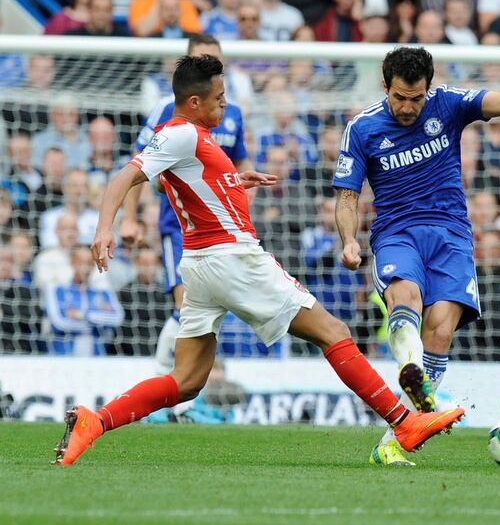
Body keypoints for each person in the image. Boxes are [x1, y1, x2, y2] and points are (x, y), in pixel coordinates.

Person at [53, 54, 464, 466]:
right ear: (194, 102)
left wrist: (233, 180)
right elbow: (124, 176)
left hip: (198, 265)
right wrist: (105, 228)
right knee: (333, 331)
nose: (225, 106)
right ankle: (403, 421)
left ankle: (95, 421)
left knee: (187, 381)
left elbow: (186, 186)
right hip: (232, 257)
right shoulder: (181, 134)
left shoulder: (190, 136)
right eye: (219, 98)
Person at [332, 22, 500, 465]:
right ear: (385, 85)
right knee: (406, 295)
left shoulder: (449, 104)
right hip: (397, 232)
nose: (408, 107)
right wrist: (349, 240)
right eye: (399, 98)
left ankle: (396, 436)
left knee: (441, 327)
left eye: (416, 98)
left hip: (451, 234)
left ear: (429, 87)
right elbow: (347, 196)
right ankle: (412, 374)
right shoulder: (362, 128)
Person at [120, 36, 250, 376]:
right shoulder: (168, 109)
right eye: (201, 60)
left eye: (216, 62)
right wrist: (129, 219)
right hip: (180, 228)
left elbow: (239, 164)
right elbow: (138, 165)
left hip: (222, 232)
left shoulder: (232, 113)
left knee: (205, 314)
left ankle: (180, 391)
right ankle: (165, 386)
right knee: (186, 309)